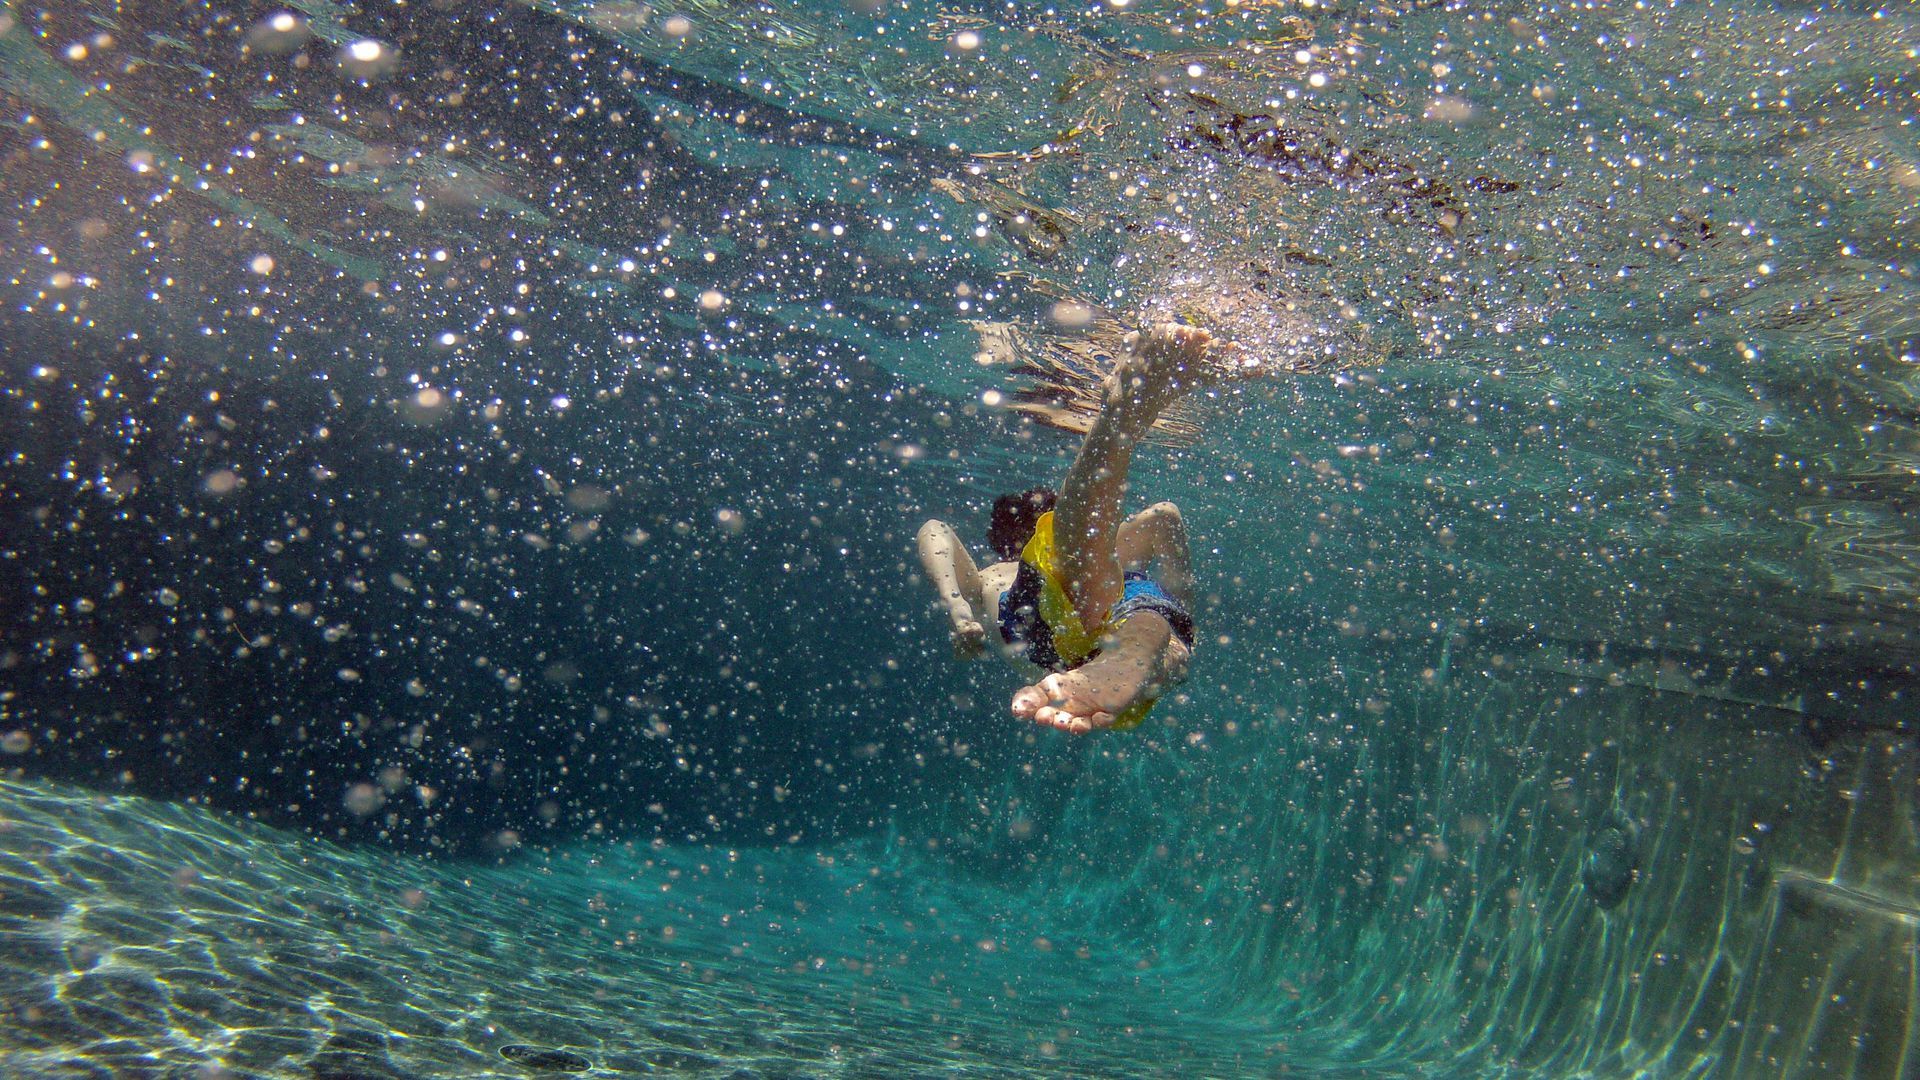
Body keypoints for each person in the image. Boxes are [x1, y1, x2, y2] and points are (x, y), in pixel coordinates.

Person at [916, 323, 1218, 734]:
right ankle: (1158, 642)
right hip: (1131, 606)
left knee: (1080, 568)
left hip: (1052, 644)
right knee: (1142, 618)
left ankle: (1118, 421)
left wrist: (958, 610)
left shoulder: (993, 577)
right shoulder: (1078, 560)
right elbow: (1165, 516)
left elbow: (934, 530)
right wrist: (1188, 618)